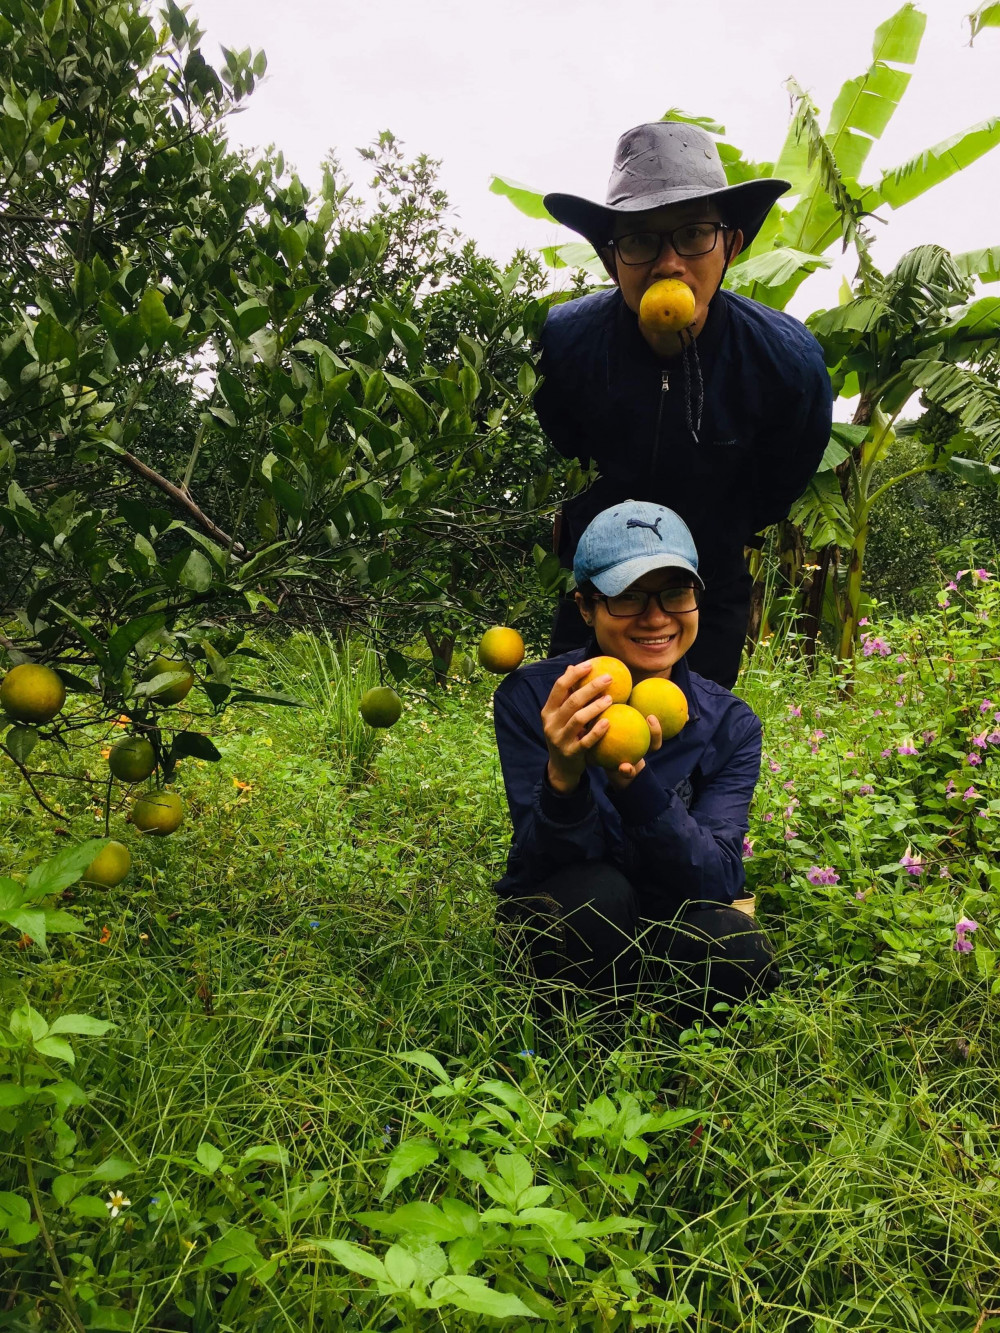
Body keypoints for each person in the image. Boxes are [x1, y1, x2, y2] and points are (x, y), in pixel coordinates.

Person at [535, 120, 833, 688]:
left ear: (732, 246)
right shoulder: (563, 344)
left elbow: (779, 482)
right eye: (641, 240)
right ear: (610, 258)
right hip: (597, 585)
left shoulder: (786, 364)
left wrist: (718, 531)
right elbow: (559, 445)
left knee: (695, 747)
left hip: (707, 589)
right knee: (575, 737)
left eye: (694, 234)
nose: (669, 263)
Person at [493, 499, 778, 1045]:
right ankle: (583, 1050)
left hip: (671, 921)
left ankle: (669, 1063)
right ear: (585, 607)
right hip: (577, 916)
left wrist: (635, 782)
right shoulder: (534, 699)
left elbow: (717, 879)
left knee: (741, 950)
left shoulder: (730, 724)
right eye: (628, 597)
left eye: (676, 592)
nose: (656, 617)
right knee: (594, 896)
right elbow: (537, 859)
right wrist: (564, 775)